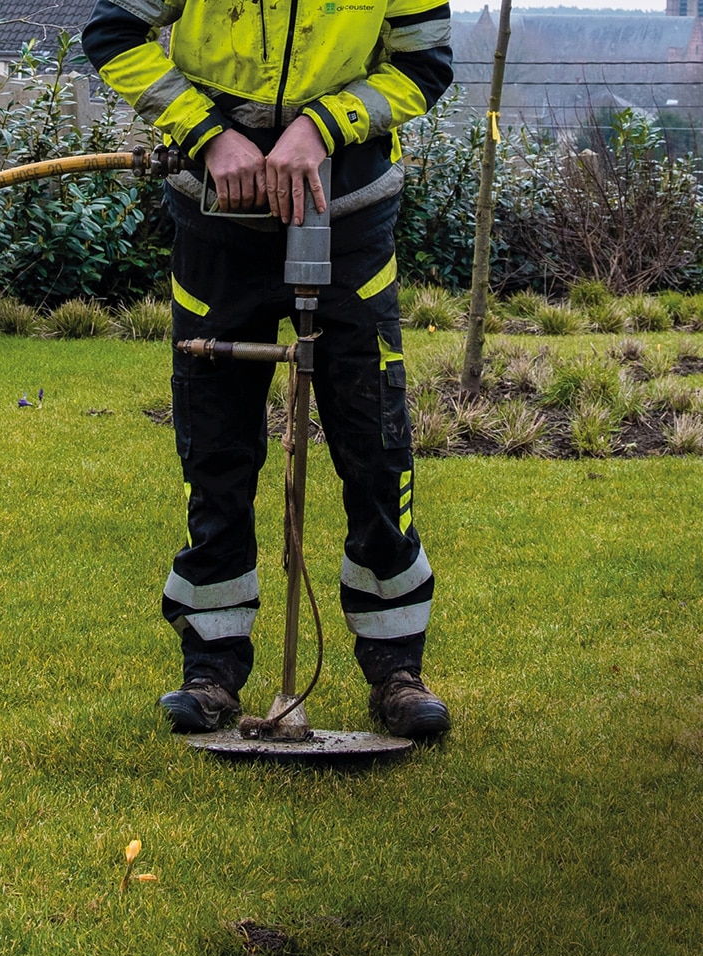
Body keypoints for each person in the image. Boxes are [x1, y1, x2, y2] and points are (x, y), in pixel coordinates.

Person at [82, 0, 454, 738]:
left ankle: (397, 671)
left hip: (348, 209)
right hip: (216, 215)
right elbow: (113, 33)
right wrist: (208, 135)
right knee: (215, 446)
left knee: (375, 444)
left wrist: (321, 127)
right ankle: (212, 669)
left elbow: (424, 63)